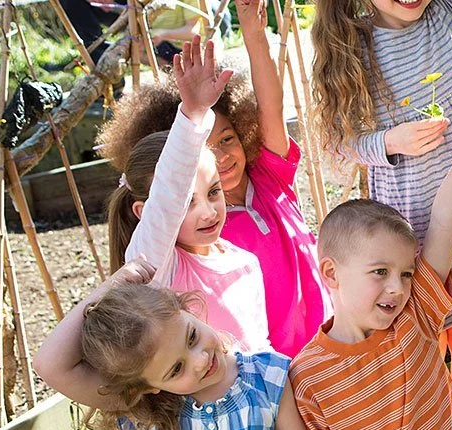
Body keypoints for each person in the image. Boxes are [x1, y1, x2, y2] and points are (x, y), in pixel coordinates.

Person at [286, 60, 452, 430]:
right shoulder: (306, 376)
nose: (398, 287)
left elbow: (448, 216)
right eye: (380, 272)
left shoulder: (416, 314)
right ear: (332, 274)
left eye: (406, 273)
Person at [309, 0, 452, 421]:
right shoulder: (353, 46)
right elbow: (335, 149)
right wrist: (389, 142)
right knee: (426, 344)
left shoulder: (448, 11)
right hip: (418, 223)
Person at [98, 0, 331, 356]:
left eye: (227, 139)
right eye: (204, 149)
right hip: (275, 368)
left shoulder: (269, 178)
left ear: (244, 132)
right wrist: (190, 115)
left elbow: (271, 106)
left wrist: (254, 34)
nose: (221, 156)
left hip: (330, 341)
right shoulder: (190, 240)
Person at [33, 258, 315, 430]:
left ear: (186, 310)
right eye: (176, 370)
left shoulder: (269, 378)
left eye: (192, 336)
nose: (201, 360)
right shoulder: (142, 407)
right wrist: (110, 287)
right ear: (146, 385)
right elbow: (49, 365)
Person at [101, 36, 272, 352]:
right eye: (186, 201)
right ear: (144, 212)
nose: (208, 212)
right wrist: (193, 114)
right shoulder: (159, 266)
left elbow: (261, 349)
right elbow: (167, 193)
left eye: (214, 191)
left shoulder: (244, 260)